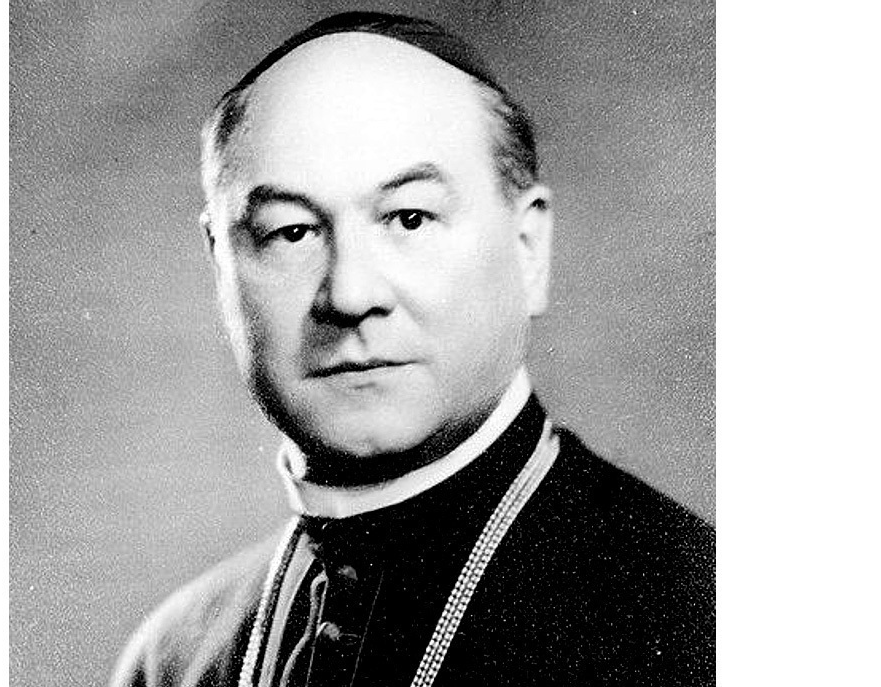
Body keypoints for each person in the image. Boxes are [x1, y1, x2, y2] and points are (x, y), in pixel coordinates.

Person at [111, 11, 714, 687]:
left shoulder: (695, 616)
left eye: (409, 218)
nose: (350, 294)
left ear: (528, 250)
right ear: (220, 262)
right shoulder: (172, 660)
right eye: (291, 232)